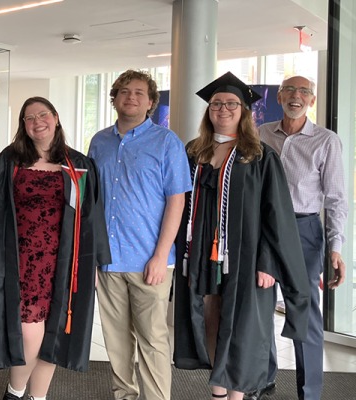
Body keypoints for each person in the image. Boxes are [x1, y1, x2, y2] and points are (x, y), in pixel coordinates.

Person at [173, 71, 311, 400]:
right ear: (208, 110)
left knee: (242, 328)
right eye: (216, 103)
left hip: (247, 258)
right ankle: (219, 392)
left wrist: (267, 263)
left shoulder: (259, 155)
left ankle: (237, 395)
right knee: (209, 317)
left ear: (243, 111)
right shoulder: (195, 153)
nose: (223, 109)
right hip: (203, 255)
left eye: (231, 103)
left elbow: (274, 215)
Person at [0, 96, 111, 400]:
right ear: (23, 125)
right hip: (21, 259)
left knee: (55, 328)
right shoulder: (9, 162)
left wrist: (94, 262)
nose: (38, 122)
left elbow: (90, 216)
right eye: (29, 118)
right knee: (28, 331)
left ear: (56, 117)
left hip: (62, 260)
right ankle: (14, 391)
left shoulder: (78, 165)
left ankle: (37, 398)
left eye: (43, 114)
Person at [88, 69, 192, 400]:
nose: (130, 97)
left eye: (138, 92)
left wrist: (162, 256)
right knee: (116, 344)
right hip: (108, 260)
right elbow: (93, 201)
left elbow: (177, 201)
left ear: (150, 102)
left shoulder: (166, 142)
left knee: (153, 341)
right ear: (114, 98)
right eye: (123, 91)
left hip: (151, 260)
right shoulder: (99, 142)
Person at [252, 75, 348, 400]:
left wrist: (335, 248)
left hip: (304, 230)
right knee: (260, 308)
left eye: (304, 91)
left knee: (304, 312)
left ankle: (310, 393)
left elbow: (336, 199)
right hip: (263, 230)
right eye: (290, 90)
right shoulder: (261, 133)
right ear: (279, 97)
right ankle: (262, 381)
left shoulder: (326, 140)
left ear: (312, 100)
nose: (297, 96)